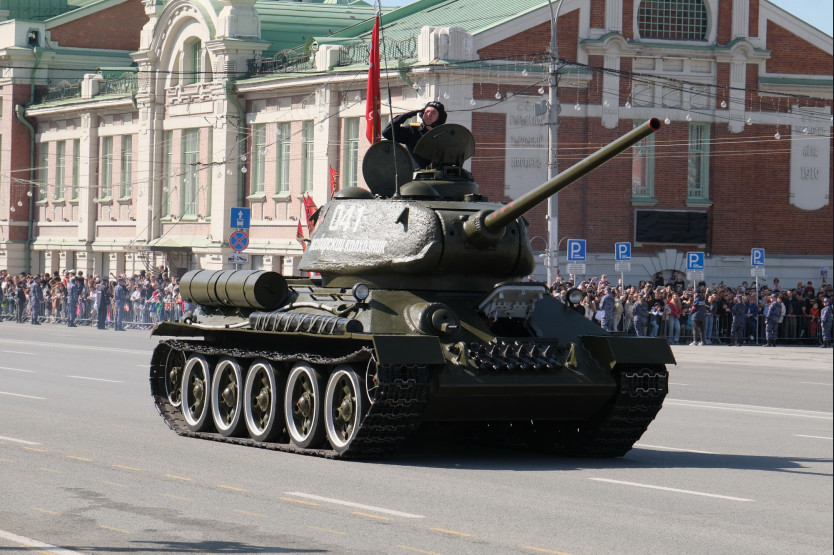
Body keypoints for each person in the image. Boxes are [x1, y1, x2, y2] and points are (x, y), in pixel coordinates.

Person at [381, 101, 447, 168]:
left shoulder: (445, 134)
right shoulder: (412, 131)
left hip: (440, 173)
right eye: (427, 111)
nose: (429, 114)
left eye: (433, 112)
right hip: (416, 173)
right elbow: (387, 132)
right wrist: (404, 117)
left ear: (440, 117)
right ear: (422, 114)